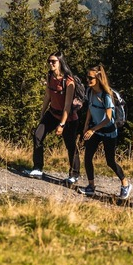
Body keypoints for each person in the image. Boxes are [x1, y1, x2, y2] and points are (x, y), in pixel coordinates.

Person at [80, 65, 132, 199]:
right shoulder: (90, 92)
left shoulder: (106, 95)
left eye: (90, 78)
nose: (88, 80)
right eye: (87, 77)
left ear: (98, 79)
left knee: (110, 161)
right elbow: (90, 109)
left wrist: (92, 129)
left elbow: (108, 118)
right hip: (96, 130)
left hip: (108, 131)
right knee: (87, 158)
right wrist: (86, 125)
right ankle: (91, 186)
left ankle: (125, 184)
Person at [29, 53, 81, 183]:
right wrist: (42, 113)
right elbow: (48, 96)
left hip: (68, 118)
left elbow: (67, 105)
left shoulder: (69, 81)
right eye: (49, 61)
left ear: (60, 62)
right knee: (37, 135)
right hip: (52, 113)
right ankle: (37, 167)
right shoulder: (50, 76)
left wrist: (62, 124)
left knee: (70, 146)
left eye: (53, 61)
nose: (50, 64)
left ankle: (74, 174)